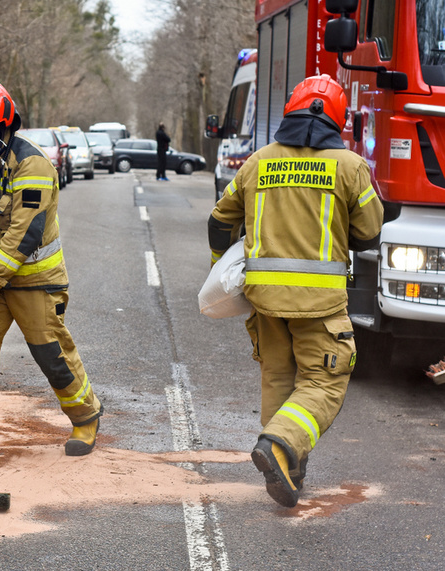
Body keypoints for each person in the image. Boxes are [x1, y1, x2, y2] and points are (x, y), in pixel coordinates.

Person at [207, 74, 383, 508]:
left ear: (289, 112)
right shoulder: (349, 166)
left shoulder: (259, 162)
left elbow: (218, 221)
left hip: (265, 301)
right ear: (338, 120)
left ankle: (288, 468)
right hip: (319, 304)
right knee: (325, 381)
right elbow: (370, 232)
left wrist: (220, 271)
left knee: (278, 377)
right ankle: (282, 445)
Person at [0, 73, 103, 465]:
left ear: (3, 123)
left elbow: (23, 234)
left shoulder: (33, 165)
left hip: (34, 282)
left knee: (51, 354)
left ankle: (86, 416)